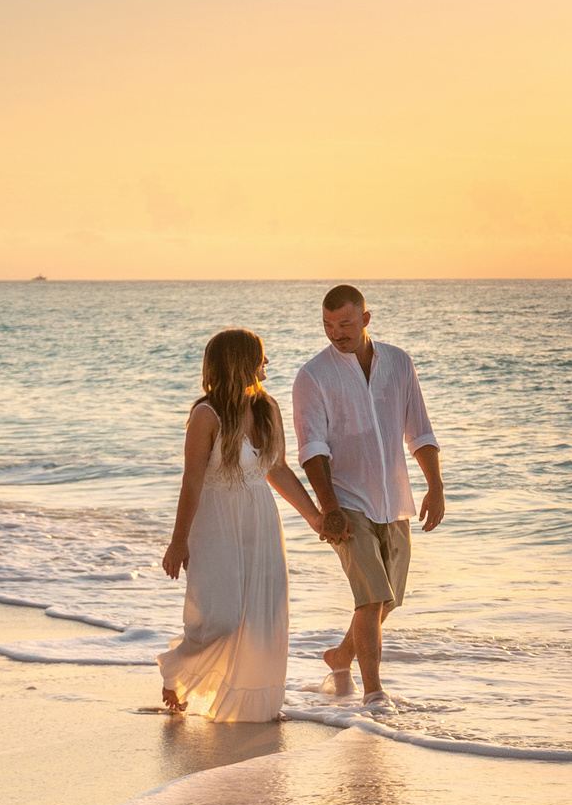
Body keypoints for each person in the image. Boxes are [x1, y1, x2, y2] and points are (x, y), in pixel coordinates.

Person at [158, 329, 330, 721]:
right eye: (260, 356)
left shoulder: (267, 407)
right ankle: (175, 668)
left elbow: (279, 470)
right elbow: (192, 482)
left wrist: (316, 518)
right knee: (220, 618)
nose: (265, 364)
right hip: (216, 524)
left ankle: (253, 711)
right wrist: (178, 542)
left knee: (261, 621)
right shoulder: (206, 415)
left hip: (261, 524)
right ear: (240, 363)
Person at [292, 284, 445, 701]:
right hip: (346, 500)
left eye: (344, 323)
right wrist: (330, 508)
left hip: (394, 498)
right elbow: (312, 449)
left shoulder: (398, 363)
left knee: (388, 600)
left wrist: (436, 486)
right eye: (327, 325)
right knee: (371, 596)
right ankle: (375, 695)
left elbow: (421, 431)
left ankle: (340, 657)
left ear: (365, 319)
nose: (336, 333)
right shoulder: (312, 376)